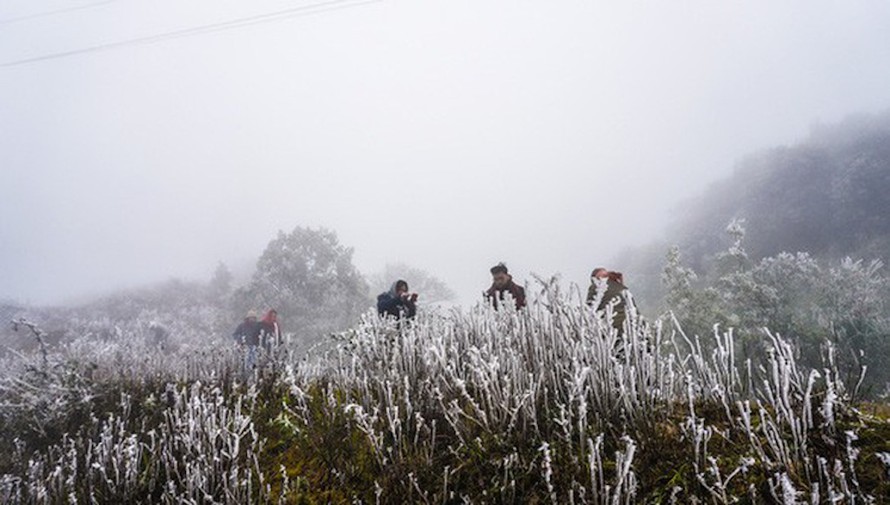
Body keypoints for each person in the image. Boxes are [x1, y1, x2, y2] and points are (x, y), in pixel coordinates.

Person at [232, 310, 261, 375]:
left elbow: (261, 335)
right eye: (251, 317)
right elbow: (235, 334)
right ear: (248, 318)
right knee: (245, 363)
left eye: (253, 318)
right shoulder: (242, 326)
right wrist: (240, 340)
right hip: (245, 347)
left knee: (254, 363)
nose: (252, 319)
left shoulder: (257, 326)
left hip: (255, 347)